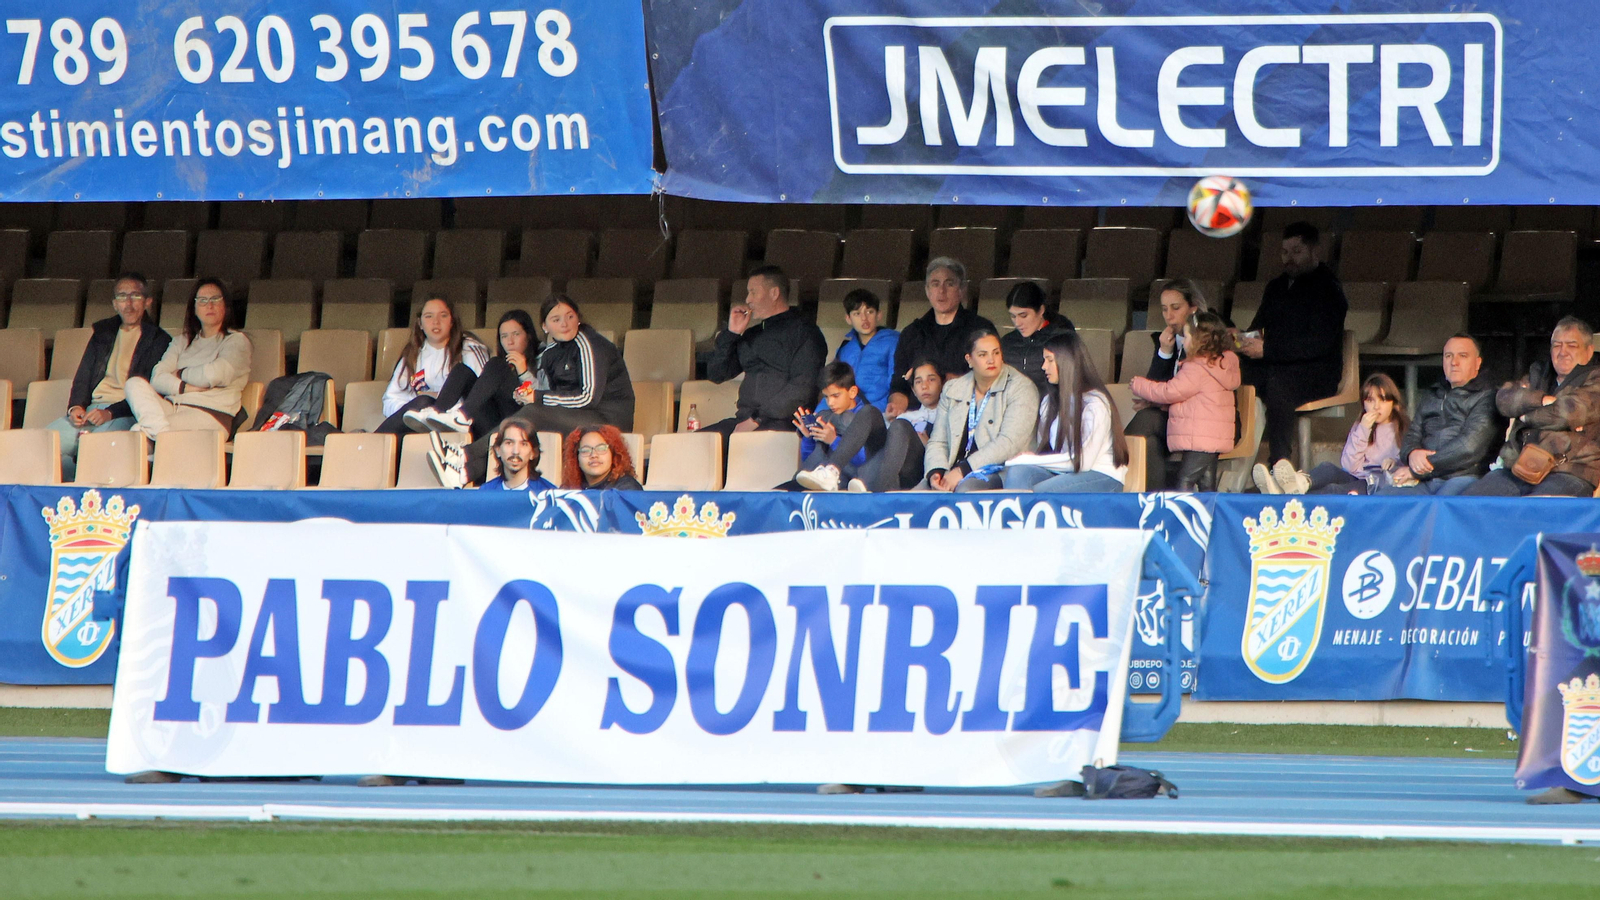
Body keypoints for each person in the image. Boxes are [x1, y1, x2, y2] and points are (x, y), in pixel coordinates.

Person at [452, 295, 634, 486]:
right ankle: (464, 473)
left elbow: (588, 398)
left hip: (607, 420)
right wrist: (526, 395)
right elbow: (550, 393)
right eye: (556, 320)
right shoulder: (550, 352)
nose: (564, 324)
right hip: (575, 416)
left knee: (532, 413)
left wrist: (538, 398)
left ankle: (464, 454)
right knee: (523, 431)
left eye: (570, 317)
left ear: (578, 318)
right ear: (545, 326)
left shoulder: (590, 344)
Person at [1237, 222, 1348, 464]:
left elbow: (1318, 343)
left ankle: (1279, 463)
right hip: (1275, 365)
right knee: (1229, 373)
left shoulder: (1329, 289)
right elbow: (1259, 328)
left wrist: (1267, 350)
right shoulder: (1276, 286)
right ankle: (1226, 451)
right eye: (1285, 252)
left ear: (1314, 252)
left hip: (1316, 373)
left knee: (1279, 384)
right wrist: (1239, 340)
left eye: (1297, 252)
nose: (1289, 259)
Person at [46, 273, 171, 480]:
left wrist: (110, 413)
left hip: (124, 412)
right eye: (122, 297)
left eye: (135, 296)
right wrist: (76, 406)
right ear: (114, 304)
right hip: (90, 410)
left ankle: (86, 496)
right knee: (45, 445)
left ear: (148, 301)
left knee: (95, 451)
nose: (128, 304)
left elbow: (147, 390)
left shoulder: (159, 339)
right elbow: (83, 376)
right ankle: (71, 491)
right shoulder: (103, 333)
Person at [1465, 317, 1600, 497]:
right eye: (1557, 345)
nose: (1563, 352)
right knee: (1471, 504)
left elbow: (1565, 414)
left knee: (1539, 510)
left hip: (1569, 470)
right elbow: (1504, 399)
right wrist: (1542, 400)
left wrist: (1525, 415)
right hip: (1517, 468)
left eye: (1572, 346)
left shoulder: (1595, 378)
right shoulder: (1538, 373)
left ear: (1589, 351)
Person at [703, 266, 827, 441]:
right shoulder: (753, 334)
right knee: (691, 445)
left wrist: (757, 418)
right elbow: (716, 374)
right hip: (744, 421)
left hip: (785, 424)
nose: (748, 299)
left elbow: (802, 388)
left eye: (753, 292)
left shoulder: (805, 333)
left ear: (774, 293)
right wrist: (731, 333)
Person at [1001, 331, 1130, 493]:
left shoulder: (1095, 403)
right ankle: (1016, 518)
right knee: (1019, 472)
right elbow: (1049, 451)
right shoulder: (1049, 401)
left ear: (1067, 362)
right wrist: (1028, 461)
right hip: (1066, 472)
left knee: (1040, 492)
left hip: (1100, 474)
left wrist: (1031, 459)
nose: (1043, 367)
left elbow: (1083, 462)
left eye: (1049, 360)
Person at [123, 279, 251, 440]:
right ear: (194, 308)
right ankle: (164, 438)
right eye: (202, 301)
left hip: (210, 413)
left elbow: (214, 375)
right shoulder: (181, 341)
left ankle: (161, 439)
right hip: (172, 407)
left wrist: (180, 373)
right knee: (133, 383)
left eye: (215, 299)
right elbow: (157, 378)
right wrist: (184, 387)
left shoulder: (236, 340)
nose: (209, 305)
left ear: (226, 306)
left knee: (138, 434)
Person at [1375, 336, 1501, 496]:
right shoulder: (1433, 393)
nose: (1454, 362)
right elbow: (1412, 434)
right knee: (1384, 499)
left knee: (1440, 508)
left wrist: (1421, 468)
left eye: (1462, 356)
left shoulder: (1488, 396)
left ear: (1477, 363)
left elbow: (1468, 447)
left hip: (1464, 477)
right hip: (1424, 479)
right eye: (1448, 356)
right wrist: (1412, 453)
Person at [1129, 312, 1239, 492]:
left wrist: (1139, 385)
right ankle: (1209, 516)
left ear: (1200, 340)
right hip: (1211, 437)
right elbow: (1191, 399)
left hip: (1200, 437)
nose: (1184, 341)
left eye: (1186, 336)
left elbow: (1170, 392)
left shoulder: (1197, 368)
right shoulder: (1219, 365)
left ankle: (1179, 516)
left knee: (1184, 480)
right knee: (1205, 483)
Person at [922, 329, 1040, 491]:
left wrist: (962, 470)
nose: (991, 360)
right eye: (983, 355)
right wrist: (937, 471)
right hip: (952, 470)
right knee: (912, 498)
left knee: (965, 491)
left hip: (998, 471)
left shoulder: (1021, 387)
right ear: (969, 359)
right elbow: (938, 441)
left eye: (996, 353)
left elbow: (1008, 443)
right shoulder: (953, 388)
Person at [1124, 278, 1209, 490]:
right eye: (1164, 309)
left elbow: (1187, 390)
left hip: (1203, 421)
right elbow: (1155, 386)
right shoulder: (1169, 340)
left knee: (1148, 418)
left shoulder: (1207, 341)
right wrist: (1164, 353)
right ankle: (1157, 502)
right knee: (1149, 444)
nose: (1169, 316)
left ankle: (1113, 465)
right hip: (1175, 418)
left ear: (1193, 309)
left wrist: (1158, 404)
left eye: (1176, 308)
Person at [1260, 373, 1407, 495]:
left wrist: (1395, 464)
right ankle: (1298, 483)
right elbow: (1349, 466)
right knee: (1328, 468)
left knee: (1333, 490)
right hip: (1356, 477)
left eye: (1383, 400)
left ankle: (1285, 496)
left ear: (1394, 403)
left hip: (1373, 486)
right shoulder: (1362, 426)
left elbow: (1408, 464)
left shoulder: (1403, 430)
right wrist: (1363, 430)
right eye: (1370, 400)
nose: (1376, 406)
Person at [889, 258, 997, 413]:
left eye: (949, 283)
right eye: (935, 284)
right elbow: (900, 381)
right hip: (919, 415)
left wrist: (956, 381)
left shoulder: (981, 329)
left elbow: (991, 376)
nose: (941, 291)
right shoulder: (912, 333)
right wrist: (897, 403)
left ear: (962, 290)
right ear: (927, 290)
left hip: (965, 412)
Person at [408, 309, 536, 439]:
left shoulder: (542, 359)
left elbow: (542, 397)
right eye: (504, 336)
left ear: (528, 335)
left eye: (516, 334)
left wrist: (523, 373)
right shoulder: (501, 365)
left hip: (520, 423)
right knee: (461, 370)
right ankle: (435, 414)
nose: (510, 341)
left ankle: (462, 416)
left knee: (497, 363)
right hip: (492, 423)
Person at [379, 296, 490, 434]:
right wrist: (416, 409)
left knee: (425, 401)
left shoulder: (469, 348)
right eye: (429, 316)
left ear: (452, 321)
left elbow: (481, 396)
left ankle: (368, 443)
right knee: (422, 402)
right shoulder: (412, 354)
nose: (436, 322)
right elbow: (391, 400)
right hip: (421, 423)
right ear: (420, 323)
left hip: (461, 423)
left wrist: (435, 400)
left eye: (443, 316)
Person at [788, 362, 886, 492]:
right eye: (826, 397)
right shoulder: (828, 415)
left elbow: (863, 460)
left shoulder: (864, 417)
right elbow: (808, 460)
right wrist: (808, 438)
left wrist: (834, 441)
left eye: (836, 396)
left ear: (852, 392)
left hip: (854, 478)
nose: (830, 403)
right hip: (822, 475)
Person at [832, 289, 899, 413]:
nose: (864, 318)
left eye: (870, 312)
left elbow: (895, 384)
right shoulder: (845, 349)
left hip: (877, 412)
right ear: (848, 318)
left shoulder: (893, 342)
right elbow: (833, 387)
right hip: (847, 411)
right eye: (857, 313)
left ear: (879, 315)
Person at [999, 280, 1073, 391]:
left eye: (1023, 315)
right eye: (1013, 316)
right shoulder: (1007, 342)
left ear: (1041, 310)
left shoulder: (1060, 339)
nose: (1017, 323)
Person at [479, 420, 555, 491]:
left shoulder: (548, 495)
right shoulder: (486, 492)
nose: (516, 451)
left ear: (533, 453)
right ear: (498, 450)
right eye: (509, 443)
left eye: (523, 444)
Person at [561, 424, 643, 490]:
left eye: (601, 449)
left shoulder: (627, 488)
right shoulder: (570, 489)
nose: (594, 455)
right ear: (576, 458)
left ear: (613, 454)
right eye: (585, 450)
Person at [897, 359, 944, 439]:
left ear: (943, 384)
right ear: (913, 390)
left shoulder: (951, 417)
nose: (924, 386)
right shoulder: (907, 419)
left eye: (931, 379)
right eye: (918, 382)